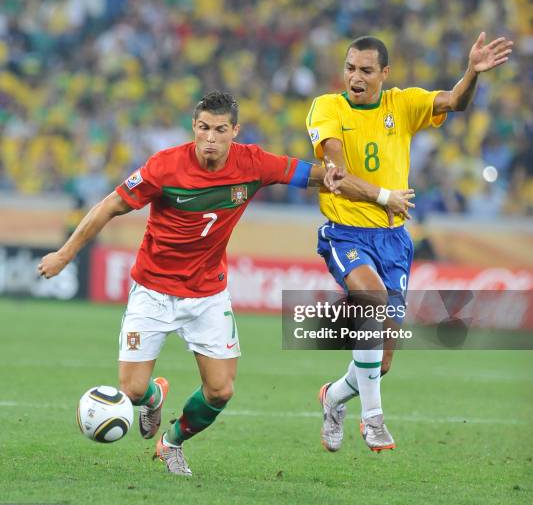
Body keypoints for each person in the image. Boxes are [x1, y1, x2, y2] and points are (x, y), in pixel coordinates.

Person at [38, 90, 414, 476]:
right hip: (153, 291)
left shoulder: (252, 163)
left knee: (220, 390)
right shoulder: (164, 167)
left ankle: (171, 444)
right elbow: (108, 206)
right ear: (194, 128)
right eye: (203, 128)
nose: (210, 138)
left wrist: (380, 195)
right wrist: (65, 255)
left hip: (207, 295)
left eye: (220, 129)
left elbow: (320, 176)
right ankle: (154, 397)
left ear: (235, 130)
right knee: (132, 391)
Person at [306, 32, 513, 453]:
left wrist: (472, 71)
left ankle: (333, 398)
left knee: (381, 362)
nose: (355, 77)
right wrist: (386, 197)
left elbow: (454, 101)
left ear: (384, 73)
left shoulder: (401, 104)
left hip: (394, 241)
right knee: (372, 296)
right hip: (345, 232)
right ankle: (374, 419)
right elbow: (338, 176)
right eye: (350, 68)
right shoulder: (327, 107)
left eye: (366, 70)